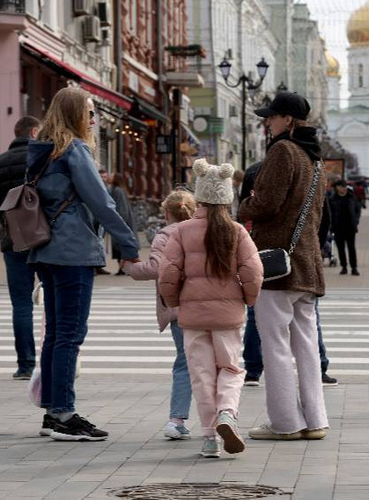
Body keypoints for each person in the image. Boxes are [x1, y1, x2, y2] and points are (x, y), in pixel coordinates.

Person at [26, 86, 140, 442]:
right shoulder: (74, 150)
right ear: (75, 114)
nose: (93, 119)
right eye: (89, 112)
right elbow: (102, 203)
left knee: (56, 336)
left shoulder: (42, 152)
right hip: (72, 250)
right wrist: (128, 243)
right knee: (70, 335)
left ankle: (51, 411)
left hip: (44, 250)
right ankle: (64, 414)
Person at [238, 91, 330, 441]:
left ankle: (285, 423)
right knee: (305, 344)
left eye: (272, 117)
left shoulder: (283, 151)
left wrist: (246, 203)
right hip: (306, 263)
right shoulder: (315, 158)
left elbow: (266, 203)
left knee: (274, 344)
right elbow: (320, 215)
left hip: (276, 264)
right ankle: (315, 420)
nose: (267, 122)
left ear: (288, 120)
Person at [158, 159, 264, 458]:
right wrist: (248, 299)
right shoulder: (237, 231)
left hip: (192, 316)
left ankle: (209, 438)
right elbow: (253, 271)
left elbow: (168, 272)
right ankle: (228, 413)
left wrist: (174, 301)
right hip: (228, 315)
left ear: (200, 196)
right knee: (230, 368)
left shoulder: (181, 231)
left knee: (201, 374)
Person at [124, 188, 197, 441]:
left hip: (178, 308)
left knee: (184, 363)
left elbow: (156, 267)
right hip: (208, 307)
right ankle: (221, 415)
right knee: (212, 363)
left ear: (166, 213)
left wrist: (130, 268)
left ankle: (177, 420)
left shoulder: (165, 235)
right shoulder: (205, 231)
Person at [0, 115, 41, 380]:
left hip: (13, 240)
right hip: (45, 238)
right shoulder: (44, 159)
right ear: (35, 132)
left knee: (21, 304)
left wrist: (10, 212)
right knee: (55, 300)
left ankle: (25, 365)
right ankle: (57, 360)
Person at [329, 179, 361, 275]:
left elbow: (358, 209)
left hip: (350, 227)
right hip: (338, 227)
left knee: (351, 248)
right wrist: (331, 224)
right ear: (337, 188)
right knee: (340, 248)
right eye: (342, 187)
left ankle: (354, 268)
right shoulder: (332, 199)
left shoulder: (351, 197)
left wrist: (356, 220)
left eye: (345, 186)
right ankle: (344, 267)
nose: (344, 188)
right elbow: (330, 213)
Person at [107, 172, 135, 275]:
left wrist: (119, 222)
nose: (109, 177)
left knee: (119, 246)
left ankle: (123, 268)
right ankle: (122, 268)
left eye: (111, 176)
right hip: (120, 221)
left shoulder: (117, 190)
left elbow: (122, 208)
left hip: (121, 222)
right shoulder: (116, 189)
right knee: (119, 246)